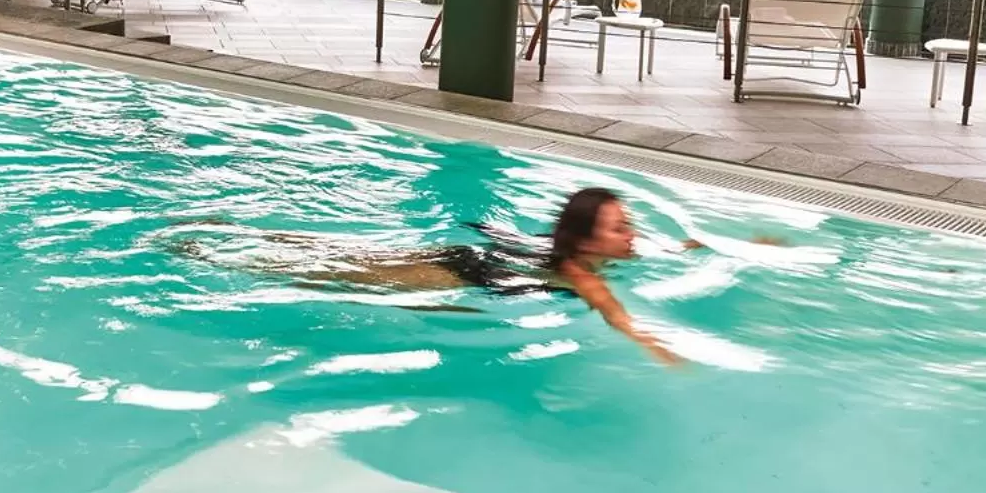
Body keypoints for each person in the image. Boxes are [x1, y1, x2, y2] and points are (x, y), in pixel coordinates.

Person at [173, 187, 683, 365]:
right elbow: (620, 320)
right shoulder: (584, 276)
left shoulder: (575, 254)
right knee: (339, 274)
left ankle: (235, 229)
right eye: (620, 228)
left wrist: (689, 245)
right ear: (589, 241)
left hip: (462, 256)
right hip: (457, 275)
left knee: (350, 255)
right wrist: (658, 348)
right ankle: (217, 254)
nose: (631, 233)